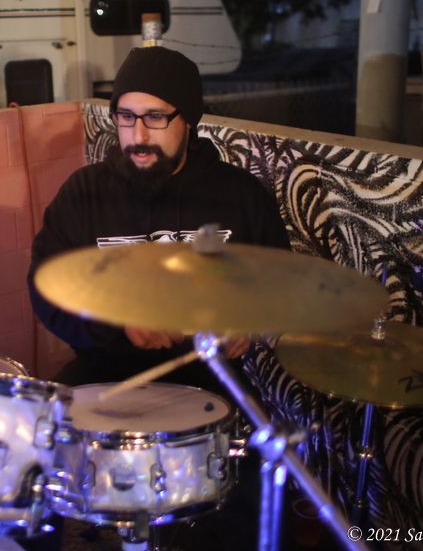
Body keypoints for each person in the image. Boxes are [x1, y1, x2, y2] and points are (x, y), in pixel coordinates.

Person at [27, 46, 291, 393]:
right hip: (103, 377)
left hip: (209, 385)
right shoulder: (84, 193)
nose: (138, 136)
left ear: (188, 120)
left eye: (155, 117)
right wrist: (117, 324)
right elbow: (46, 287)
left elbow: (281, 284)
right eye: (126, 116)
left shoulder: (241, 195)